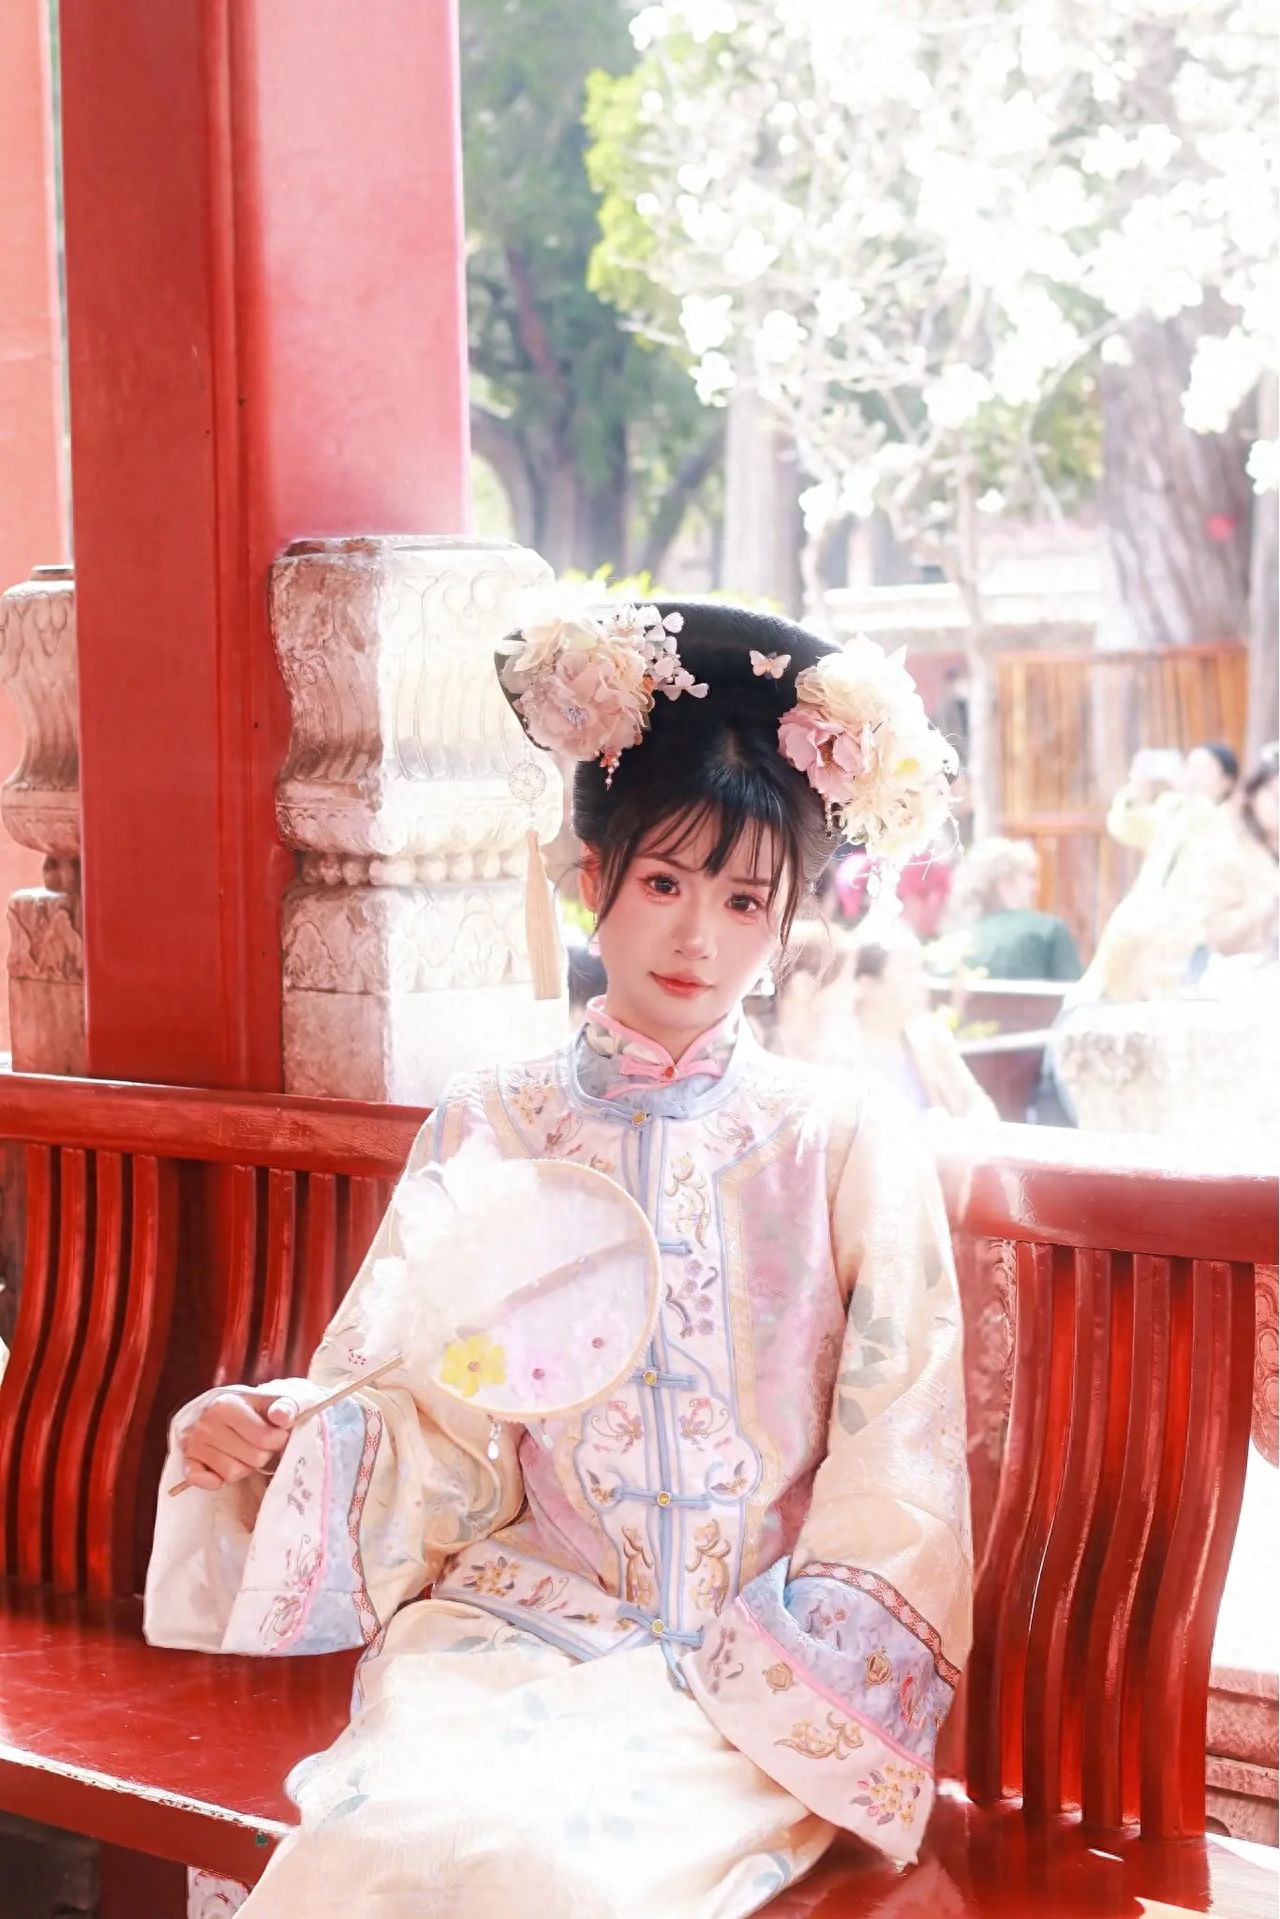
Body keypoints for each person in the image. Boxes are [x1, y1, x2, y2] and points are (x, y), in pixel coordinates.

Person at [144, 602, 972, 1918]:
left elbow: (901, 1448)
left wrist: (792, 1665)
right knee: (398, 1837)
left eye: (744, 897)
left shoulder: (841, 1135)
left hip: (742, 1667)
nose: (700, 938)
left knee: (563, 1870)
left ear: (790, 914)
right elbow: (434, 1403)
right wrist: (291, 1432)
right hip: (506, 1635)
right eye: (664, 882)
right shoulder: (499, 1117)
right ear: (590, 876)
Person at [1077, 740, 1239, 1002]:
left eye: (1204, 768)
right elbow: (1125, 827)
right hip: (1143, 923)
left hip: (1191, 934)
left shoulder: (1230, 820)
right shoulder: (1172, 808)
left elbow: (1210, 833)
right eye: (1189, 765)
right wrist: (1136, 787)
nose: (1193, 774)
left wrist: (1189, 796)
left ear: (1227, 782)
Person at [848, 933, 997, 1123]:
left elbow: (975, 1102)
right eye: (907, 971)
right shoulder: (841, 1051)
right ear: (867, 985)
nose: (921, 983)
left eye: (920, 971)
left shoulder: (928, 1034)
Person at [952, 837, 1081, 982]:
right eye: (1029, 877)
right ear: (1005, 883)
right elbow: (1076, 998)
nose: (1035, 887)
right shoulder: (1049, 931)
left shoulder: (954, 943)